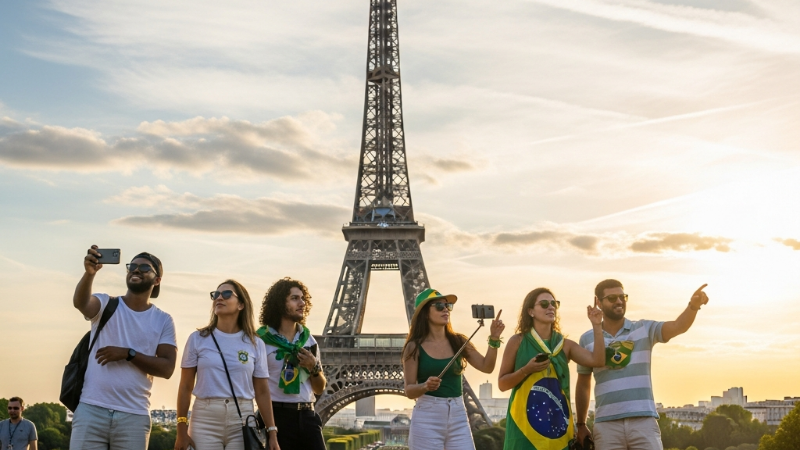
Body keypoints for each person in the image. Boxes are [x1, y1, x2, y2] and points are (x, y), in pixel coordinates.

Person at [575, 279, 710, 450]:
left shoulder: (644, 329)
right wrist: (580, 424)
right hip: (606, 424)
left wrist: (693, 306)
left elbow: (677, 326)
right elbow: (583, 384)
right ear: (598, 302)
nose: (619, 301)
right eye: (612, 298)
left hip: (643, 421)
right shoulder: (587, 338)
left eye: (622, 297)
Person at [71, 245, 177, 450]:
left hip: (134, 415)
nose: (136, 270)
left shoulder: (163, 320)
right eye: (132, 266)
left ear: (157, 280)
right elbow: (81, 303)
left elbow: (167, 368)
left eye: (144, 268)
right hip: (91, 409)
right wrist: (89, 273)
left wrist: (128, 354)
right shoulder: (105, 304)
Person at [175, 279, 280, 450]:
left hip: (242, 418)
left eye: (226, 294)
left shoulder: (255, 343)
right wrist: (181, 429)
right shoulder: (197, 339)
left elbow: (262, 391)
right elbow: (185, 386)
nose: (219, 298)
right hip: (205, 418)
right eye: (216, 294)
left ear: (241, 304)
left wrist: (272, 432)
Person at [497, 288, 605, 450]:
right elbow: (502, 384)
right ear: (531, 311)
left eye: (554, 304)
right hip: (524, 428)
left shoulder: (565, 345)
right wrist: (526, 370)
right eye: (544, 304)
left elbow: (598, 360)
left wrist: (597, 325)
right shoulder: (517, 341)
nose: (551, 307)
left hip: (558, 427)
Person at [402, 288, 505, 450]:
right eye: (439, 306)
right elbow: (409, 390)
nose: (445, 310)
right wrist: (425, 386)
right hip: (428, 415)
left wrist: (494, 339)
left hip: (458, 413)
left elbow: (487, 367)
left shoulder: (459, 341)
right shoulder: (413, 347)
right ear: (425, 313)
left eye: (448, 306)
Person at [257, 277, 326, 450]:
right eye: (295, 298)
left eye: (303, 298)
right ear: (280, 304)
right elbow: (257, 387)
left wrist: (313, 367)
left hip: (307, 415)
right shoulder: (261, 341)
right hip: (277, 416)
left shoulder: (308, 340)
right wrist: (271, 428)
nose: (301, 303)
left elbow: (319, 388)